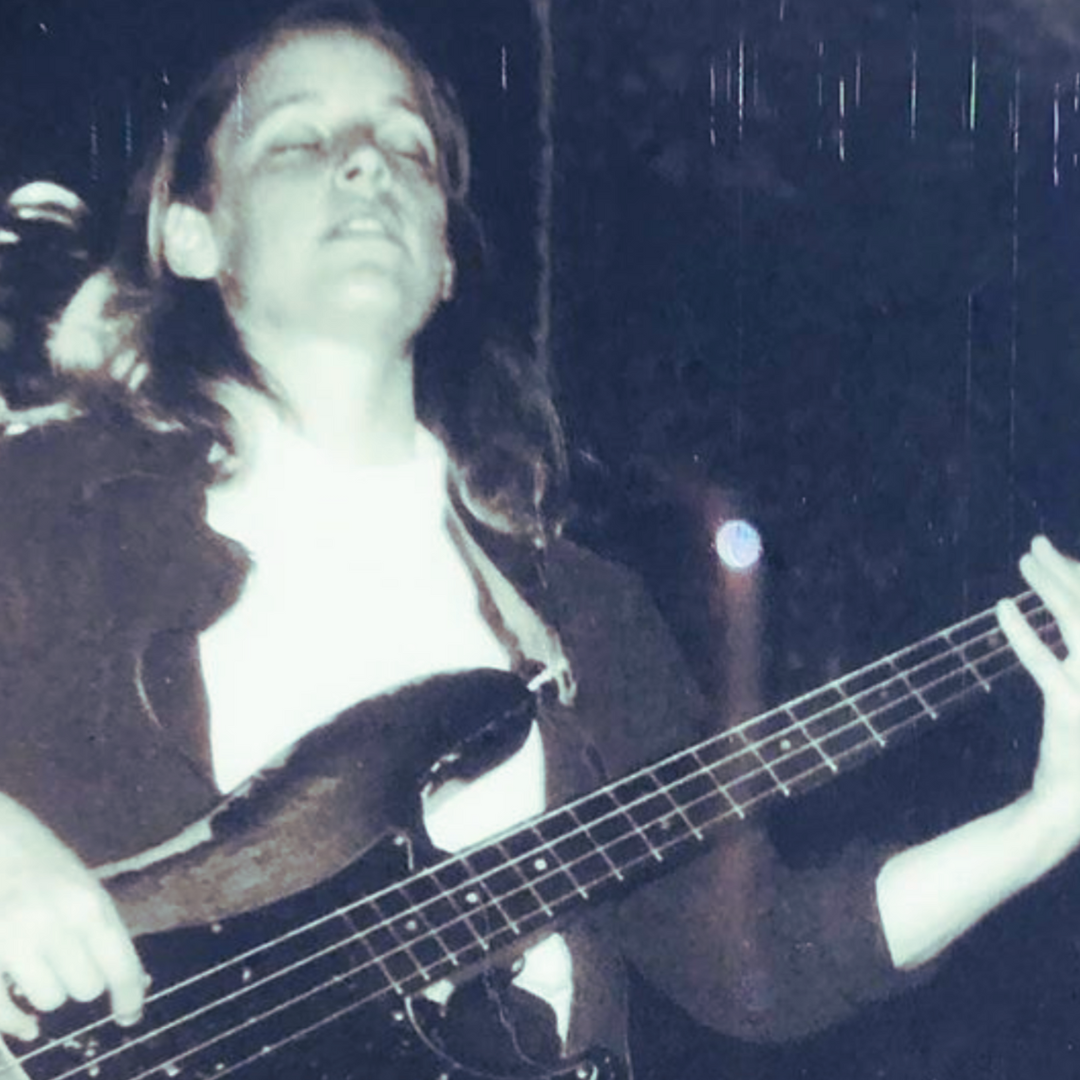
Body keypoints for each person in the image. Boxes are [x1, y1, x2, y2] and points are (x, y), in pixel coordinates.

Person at [1, 1, 1080, 1075]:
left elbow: (756, 958)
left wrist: (1043, 822)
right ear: (191, 233)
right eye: (298, 141)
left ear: (445, 260)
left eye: (408, 148)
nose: (367, 164)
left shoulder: (578, 612)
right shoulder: (50, 504)